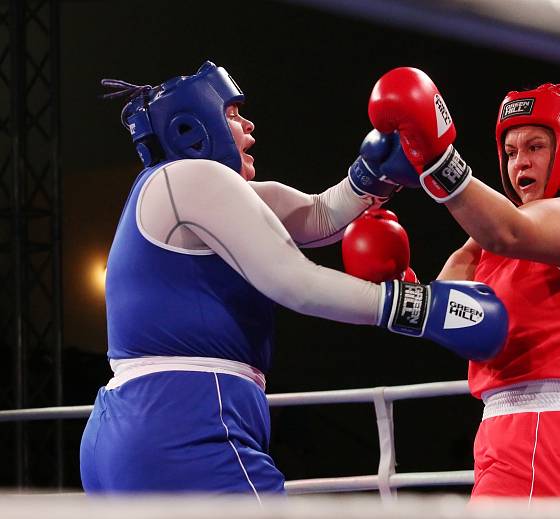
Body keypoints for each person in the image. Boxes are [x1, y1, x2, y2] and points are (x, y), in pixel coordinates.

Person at [79, 61, 508, 499]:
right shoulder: (190, 177)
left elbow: (318, 215)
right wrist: (423, 307)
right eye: (232, 113)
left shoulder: (179, 191)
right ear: (192, 128)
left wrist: (373, 176)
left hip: (133, 427)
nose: (248, 125)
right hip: (184, 419)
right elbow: (295, 283)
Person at [357, 67, 560, 499]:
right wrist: (400, 286)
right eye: (510, 152)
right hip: (523, 441)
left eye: (535, 147)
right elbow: (454, 306)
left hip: (551, 444)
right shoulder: (494, 239)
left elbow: (507, 230)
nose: (519, 163)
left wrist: (437, 159)